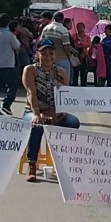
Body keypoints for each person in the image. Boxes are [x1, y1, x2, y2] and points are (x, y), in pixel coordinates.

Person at [22, 39, 80, 182]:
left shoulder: (61, 72)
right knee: (37, 125)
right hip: (33, 111)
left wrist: (60, 113)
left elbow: (66, 97)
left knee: (73, 122)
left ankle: (63, 162)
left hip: (55, 112)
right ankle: (32, 164)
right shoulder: (30, 70)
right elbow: (31, 93)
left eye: (51, 53)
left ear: (55, 55)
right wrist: (37, 114)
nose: (48, 57)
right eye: (44, 53)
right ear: (37, 55)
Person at [0, 13, 20, 115]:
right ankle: (6, 104)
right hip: (8, 64)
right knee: (12, 86)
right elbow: (16, 46)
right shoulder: (10, 35)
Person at [40, 11, 73, 77]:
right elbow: (66, 46)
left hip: (48, 59)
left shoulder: (46, 28)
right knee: (64, 80)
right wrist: (69, 56)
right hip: (62, 59)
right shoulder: (63, 30)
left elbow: (41, 42)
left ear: (53, 18)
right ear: (62, 20)